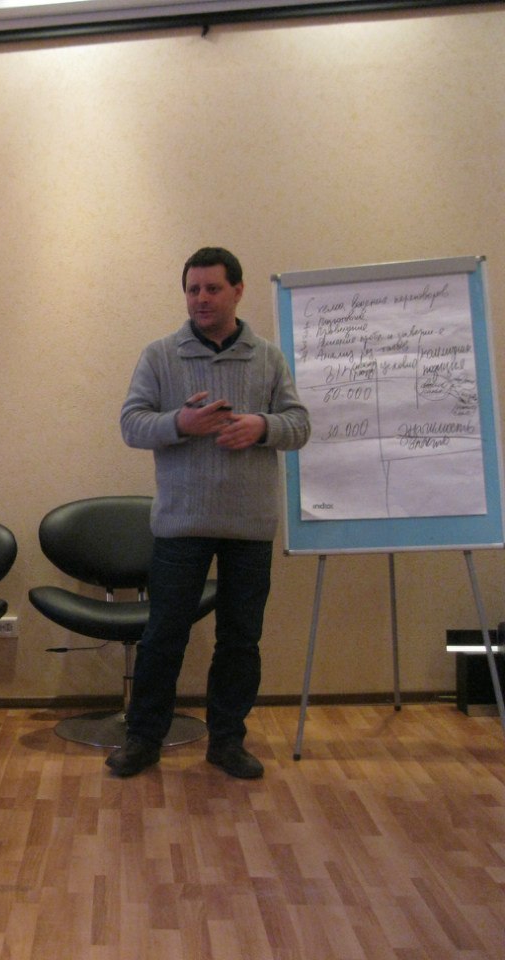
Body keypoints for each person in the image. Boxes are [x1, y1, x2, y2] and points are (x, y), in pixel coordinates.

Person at [110, 247, 310, 780]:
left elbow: (300, 425)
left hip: (249, 527)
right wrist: (182, 423)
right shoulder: (160, 355)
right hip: (181, 525)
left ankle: (227, 741)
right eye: (193, 289)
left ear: (237, 291)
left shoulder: (268, 358)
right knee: (163, 637)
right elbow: (131, 424)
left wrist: (262, 427)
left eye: (212, 289)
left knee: (240, 641)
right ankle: (143, 740)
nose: (201, 299)